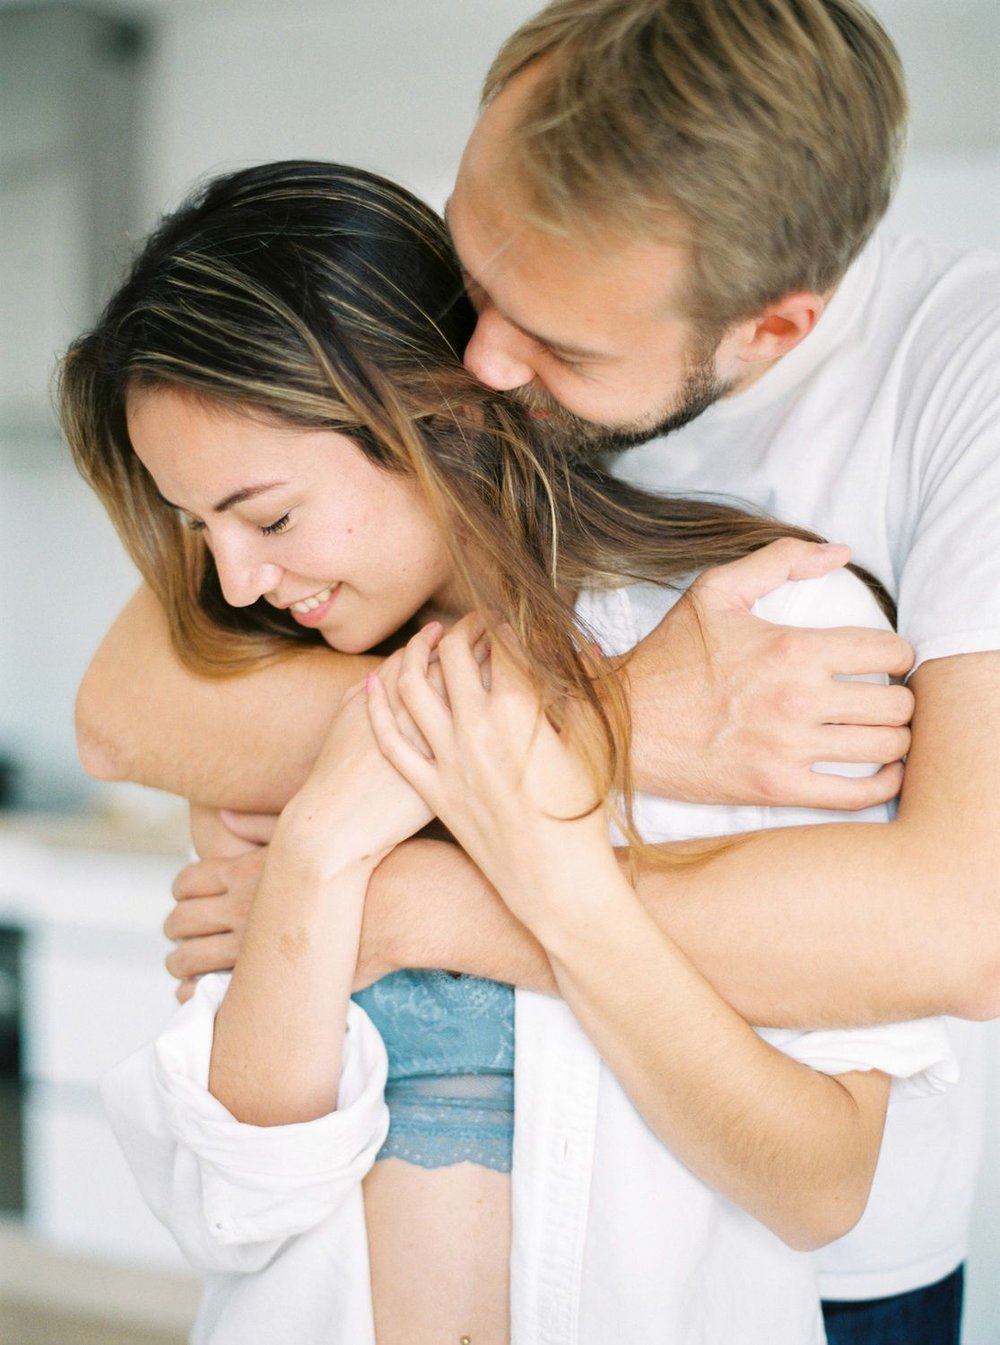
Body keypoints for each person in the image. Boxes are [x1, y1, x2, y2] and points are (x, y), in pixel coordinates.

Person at [74, 2, 1000, 1342]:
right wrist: (620, 722)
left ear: (774, 330)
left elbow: (957, 933)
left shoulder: (927, 416)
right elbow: (125, 714)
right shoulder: (348, 574)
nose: (481, 364)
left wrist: (412, 896)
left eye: (559, 345)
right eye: (472, 265)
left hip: (825, 1268)